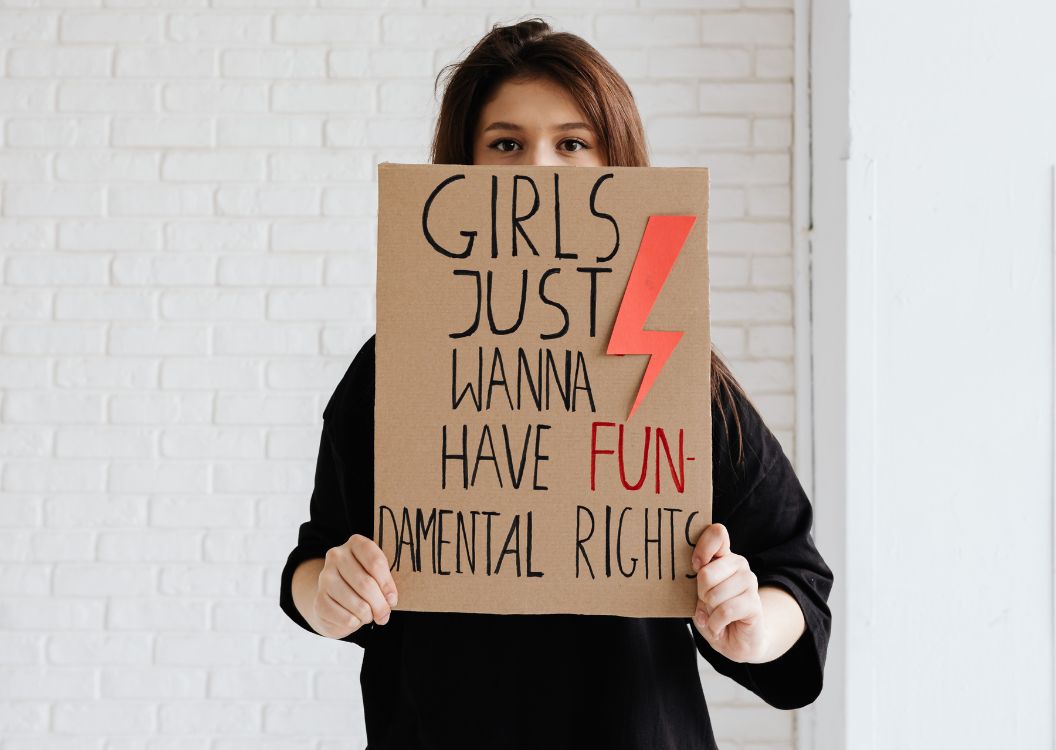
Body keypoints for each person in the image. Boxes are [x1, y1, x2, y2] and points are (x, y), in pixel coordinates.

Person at [279, 18, 833, 750]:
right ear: (463, 166)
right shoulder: (394, 366)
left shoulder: (674, 370)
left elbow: (794, 573)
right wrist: (329, 594)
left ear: (615, 163)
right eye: (506, 144)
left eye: (572, 144)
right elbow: (315, 558)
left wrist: (752, 624)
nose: (538, 171)